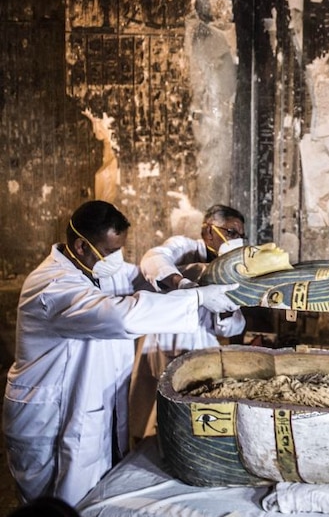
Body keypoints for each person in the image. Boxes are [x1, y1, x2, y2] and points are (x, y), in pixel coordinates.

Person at [2, 200, 238, 507]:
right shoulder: (51, 286)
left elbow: (142, 278)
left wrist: (201, 275)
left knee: (96, 493)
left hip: (90, 402)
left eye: (119, 250)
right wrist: (197, 298)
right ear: (81, 246)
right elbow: (120, 316)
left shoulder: (97, 268)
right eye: (111, 251)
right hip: (51, 415)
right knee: (50, 504)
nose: (116, 258)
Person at [129, 204, 248, 443]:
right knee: (150, 415)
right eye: (232, 233)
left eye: (241, 236)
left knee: (191, 419)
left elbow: (231, 326)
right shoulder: (183, 248)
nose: (238, 241)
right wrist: (182, 284)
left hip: (202, 345)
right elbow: (154, 260)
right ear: (209, 231)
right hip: (166, 339)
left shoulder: (232, 267)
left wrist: (227, 307)